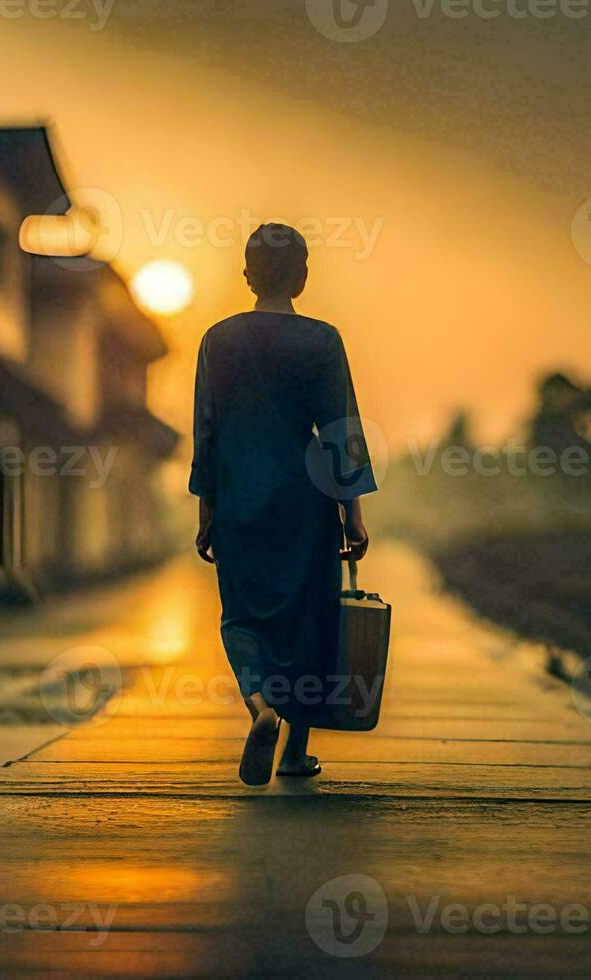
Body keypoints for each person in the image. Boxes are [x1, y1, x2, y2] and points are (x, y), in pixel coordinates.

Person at [190, 223, 377, 786]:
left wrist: (207, 513)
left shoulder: (217, 340)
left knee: (243, 616)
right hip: (306, 500)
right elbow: (341, 428)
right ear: (302, 276)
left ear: (246, 275)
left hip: (240, 497)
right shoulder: (322, 340)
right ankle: (294, 753)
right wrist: (354, 513)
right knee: (309, 620)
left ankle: (259, 708)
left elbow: (207, 431)